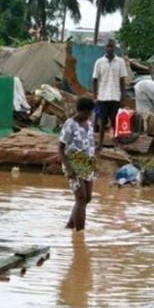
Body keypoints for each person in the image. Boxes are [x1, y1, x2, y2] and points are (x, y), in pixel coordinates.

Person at [59, 97, 97, 231]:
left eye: (89, 113)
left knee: (87, 198)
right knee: (81, 198)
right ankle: (80, 234)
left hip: (88, 163)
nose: (87, 116)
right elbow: (60, 148)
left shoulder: (90, 124)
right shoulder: (69, 124)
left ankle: (70, 225)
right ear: (78, 111)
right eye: (85, 113)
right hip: (73, 163)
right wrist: (69, 169)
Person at [92, 39, 127, 149]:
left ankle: (116, 144)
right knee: (102, 121)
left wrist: (123, 97)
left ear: (114, 47)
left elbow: (122, 81)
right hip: (103, 96)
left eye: (112, 46)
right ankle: (101, 144)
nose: (110, 48)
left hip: (115, 96)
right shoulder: (99, 62)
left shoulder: (120, 62)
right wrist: (95, 96)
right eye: (108, 46)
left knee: (114, 120)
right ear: (105, 47)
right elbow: (94, 79)